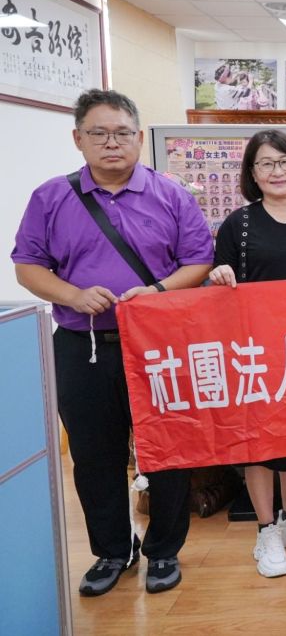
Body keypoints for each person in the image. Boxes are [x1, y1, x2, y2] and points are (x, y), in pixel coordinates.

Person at [12, 89, 213, 595]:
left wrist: (159, 291)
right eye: (98, 133)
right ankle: (111, 551)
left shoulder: (171, 194)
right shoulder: (51, 197)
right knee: (94, 455)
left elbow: (199, 260)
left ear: (139, 138)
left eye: (122, 133)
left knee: (168, 451)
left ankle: (164, 550)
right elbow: (28, 266)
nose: (111, 143)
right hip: (83, 346)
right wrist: (73, 295)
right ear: (78, 138)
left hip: (160, 344)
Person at [207, 130, 286, 578]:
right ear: (252, 174)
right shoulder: (238, 223)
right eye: (266, 164)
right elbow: (217, 278)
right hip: (254, 350)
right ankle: (265, 529)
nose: (277, 171)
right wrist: (219, 274)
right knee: (259, 439)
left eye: (284, 162)